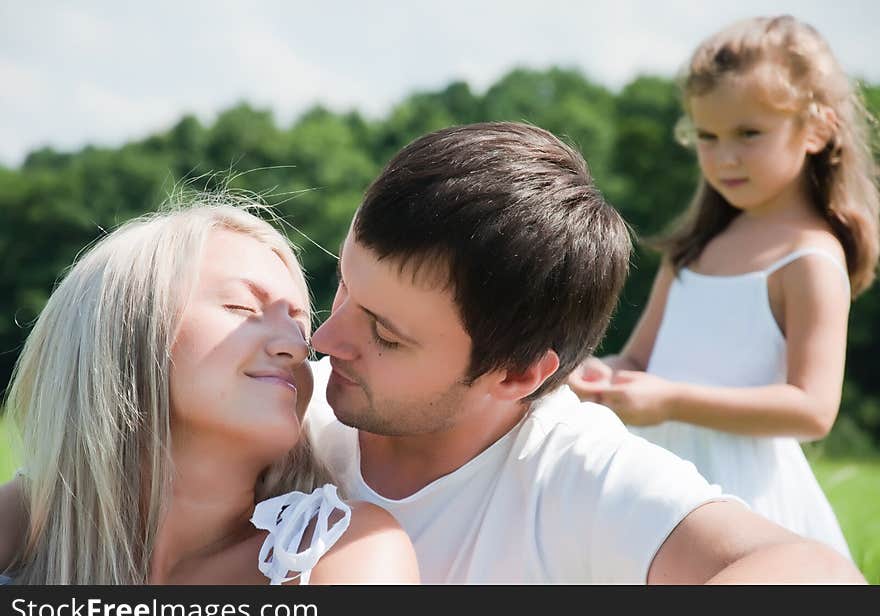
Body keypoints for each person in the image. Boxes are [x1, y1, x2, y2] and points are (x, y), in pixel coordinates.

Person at [303, 121, 864, 583]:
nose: (324, 341)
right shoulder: (285, 411)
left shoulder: (573, 470)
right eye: (347, 286)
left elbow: (813, 576)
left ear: (516, 375)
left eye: (386, 335)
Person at [567, 16, 878, 560]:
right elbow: (638, 359)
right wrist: (596, 377)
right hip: (659, 478)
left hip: (748, 498)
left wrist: (671, 401)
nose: (724, 156)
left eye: (748, 133)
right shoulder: (695, 249)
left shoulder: (809, 259)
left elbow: (812, 408)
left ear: (817, 129)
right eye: (706, 136)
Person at [0, 201, 419, 585]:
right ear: (122, 335)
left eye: (299, 326)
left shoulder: (342, 551)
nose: (296, 347)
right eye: (242, 309)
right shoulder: (26, 531)